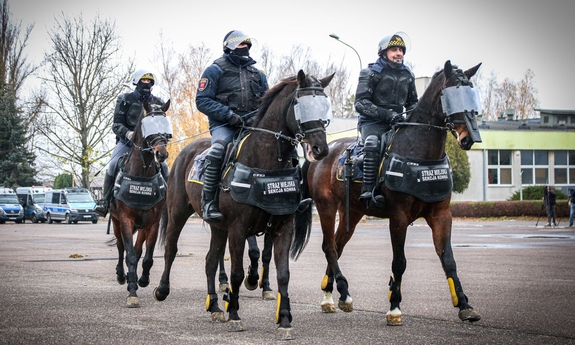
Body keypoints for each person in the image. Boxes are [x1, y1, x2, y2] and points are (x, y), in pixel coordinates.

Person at [196, 30, 268, 222]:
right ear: (229, 48)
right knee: (217, 150)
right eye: (239, 46)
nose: (244, 49)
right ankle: (209, 202)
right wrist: (229, 115)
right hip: (224, 125)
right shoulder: (214, 70)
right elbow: (202, 100)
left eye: (246, 45)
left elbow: (266, 103)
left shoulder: (258, 74)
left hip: (252, 125)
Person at [354, 31, 418, 205]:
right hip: (372, 123)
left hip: (398, 122)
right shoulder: (369, 72)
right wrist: (388, 115)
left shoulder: (408, 74)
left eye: (401, 50)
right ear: (384, 52)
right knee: (373, 143)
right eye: (395, 49)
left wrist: (409, 116)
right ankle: (368, 191)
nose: (399, 53)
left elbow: (413, 103)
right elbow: (361, 103)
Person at [94, 69, 167, 217]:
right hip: (127, 143)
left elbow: (161, 125)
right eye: (144, 81)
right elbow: (116, 124)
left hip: (149, 146)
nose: (146, 83)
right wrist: (128, 133)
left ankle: (168, 202)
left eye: (149, 81)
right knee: (113, 164)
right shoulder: (125, 99)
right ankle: (105, 201)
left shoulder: (158, 102)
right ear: (137, 82)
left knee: (165, 167)